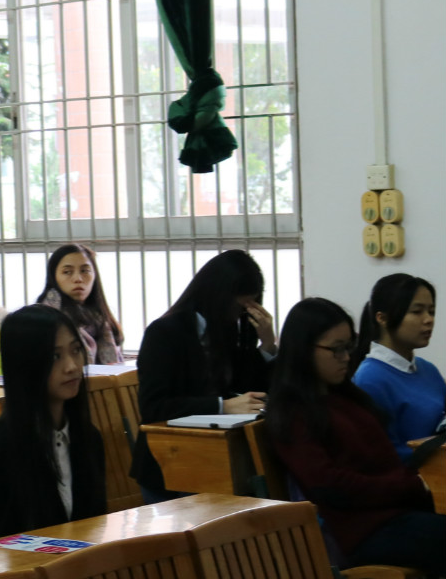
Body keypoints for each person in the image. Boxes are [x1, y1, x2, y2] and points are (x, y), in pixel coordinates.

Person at [268, 297, 446, 574]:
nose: (346, 357)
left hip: (399, 512)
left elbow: (383, 461)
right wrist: (409, 486)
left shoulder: (347, 397)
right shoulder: (293, 413)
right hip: (364, 531)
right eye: (336, 349)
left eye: (348, 347)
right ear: (303, 350)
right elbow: (330, 485)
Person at [131, 249, 274, 502]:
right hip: (169, 461)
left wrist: (268, 345)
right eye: (238, 307)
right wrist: (222, 406)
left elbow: (248, 390)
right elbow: (154, 407)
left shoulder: (229, 330)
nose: (239, 316)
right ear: (218, 296)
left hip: (219, 456)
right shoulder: (164, 333)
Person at [0, 305, 105, 542]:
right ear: (24, 364)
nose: (72, 366)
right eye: (55, 356)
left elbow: (96, 526)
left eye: (76, 350)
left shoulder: (89, 438)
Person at [352, 273, 445, 461]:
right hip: (416, 475)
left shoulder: (428, 369)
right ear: (382, 318)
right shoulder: (370, 379)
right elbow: (385, 455)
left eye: (431, 311)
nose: (428, 319)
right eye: (417, 312)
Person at [36, 244, 123, 364]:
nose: (78, 279)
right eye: (67, 272)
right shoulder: (44, 319)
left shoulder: (100, 320)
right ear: (54, 277)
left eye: (85, 271)